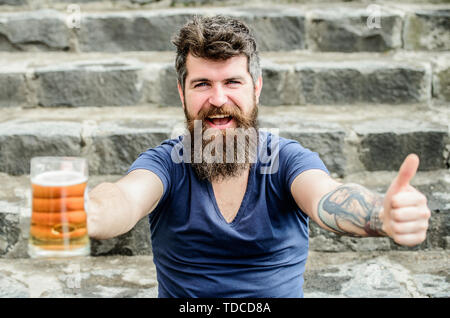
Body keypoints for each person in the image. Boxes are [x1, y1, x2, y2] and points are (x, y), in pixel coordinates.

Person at [87, 15, 431, 298]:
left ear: (256, 88)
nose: (218, 98)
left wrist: (379, 215)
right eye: (202, 84)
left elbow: (326, 196)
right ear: (182, 92)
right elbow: (125, 198)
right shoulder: (166, 163)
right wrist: (91, 210)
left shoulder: (286, 159)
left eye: (233, 82)